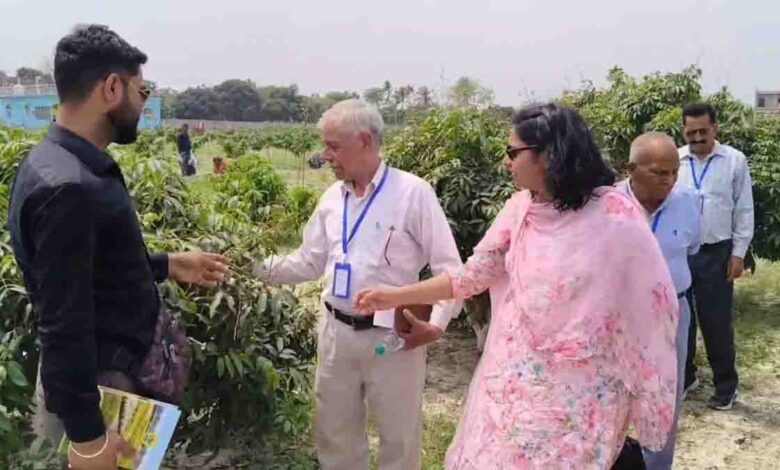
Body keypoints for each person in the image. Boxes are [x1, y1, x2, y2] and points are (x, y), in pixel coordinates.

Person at [355, 103, 679, 469]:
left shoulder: (615, 216)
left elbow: (655, 303)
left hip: (581, 390)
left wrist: (639, 377)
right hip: (514, 383)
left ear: (548, 156)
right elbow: (470, 277)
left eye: (513, 152)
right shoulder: (520, 210)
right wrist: (394, 296)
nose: (505, 162)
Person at [7, 25, 227, 470]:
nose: (143, 104)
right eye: (141, 91)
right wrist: (89, 440)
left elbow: (89, 270)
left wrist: (166, 264)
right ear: (111, 87)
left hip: (102, 384)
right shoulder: (69, 188)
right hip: (101, 393)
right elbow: (63, 322)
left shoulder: (58, 163)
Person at [253, 99, 462, 470]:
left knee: (399, 437)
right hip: (336, 333)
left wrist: (437, 325)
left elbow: (449, 268)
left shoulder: (413, 193)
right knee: (335, 435)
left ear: (365, 140)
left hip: (393, 338)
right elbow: (308, 261)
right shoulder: (332, 199)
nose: (325, 156)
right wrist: (250, 267)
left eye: (333, 146)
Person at [618, 132, 701, 470]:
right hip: (619, 317)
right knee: (613, 393)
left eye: (674, 172)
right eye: (658, 172)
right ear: (631, 169)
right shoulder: (607, 205)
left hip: (673, 314)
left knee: (665, 397)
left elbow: (692, 248)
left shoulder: (689, 201)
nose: (669, 180)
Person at [677, 103, 754, 410]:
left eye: (703, 131)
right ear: (683, 131)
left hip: (716, 252)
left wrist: (738, 254)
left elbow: (744, 210)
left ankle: (725, 386)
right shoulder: (675, 160)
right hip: (681, 252)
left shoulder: (734, 160)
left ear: (715, 128)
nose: (697, 138)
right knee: (681, 320)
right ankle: (686, 377)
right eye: (691, 132)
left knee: (716, 322)